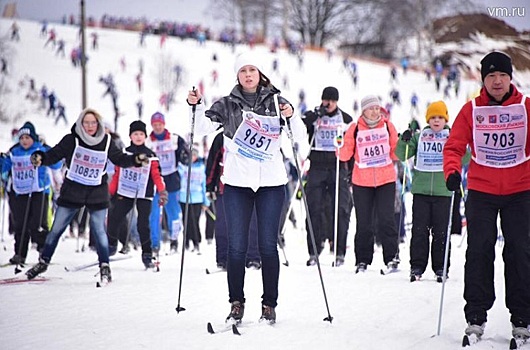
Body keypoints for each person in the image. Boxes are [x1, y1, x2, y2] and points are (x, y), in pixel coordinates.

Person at [186, 51, 306, 324]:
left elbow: (298, 135)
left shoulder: (276, 101)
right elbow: (202, 127)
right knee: (236, 247)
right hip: (238, 183)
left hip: (271, 183)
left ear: (260, 73)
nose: (248, 75)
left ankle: (269, 305)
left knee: (267, 246)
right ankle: (236, 303)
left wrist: (291, 115)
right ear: (237, 75)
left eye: (252, 69)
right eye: (243, 71)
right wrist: (195, 105)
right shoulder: (228, 104)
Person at [443, 51, 530, 340]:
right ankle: (476, 316)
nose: (497, 81)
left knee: (519, 250)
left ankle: (522, 317)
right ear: (483, 79)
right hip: (482, 190)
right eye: (491, 75)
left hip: (520, 190)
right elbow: (454, 145)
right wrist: (452, 172)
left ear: (510, 78)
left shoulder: (526, 107)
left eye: (502, 75)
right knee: (479, 249)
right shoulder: (471, 110)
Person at [25, 108, 149, 282]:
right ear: (80, 124)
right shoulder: (72, 140)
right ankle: (43, 261)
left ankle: (104, 266)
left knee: (99, 230)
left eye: (93, 122)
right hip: (73, 190)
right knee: (56, 230)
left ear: (98, 124)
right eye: (86, 122)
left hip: (96, 192)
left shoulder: (106, 141)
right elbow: (54, 154)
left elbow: (119, 158)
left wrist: (135, 160)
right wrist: (40, 158)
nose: (90, 126)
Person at [396, 101, 458, 282]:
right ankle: (417, 266)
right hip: (421, 191)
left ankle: (441, 267)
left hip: (443, 191)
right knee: (419, 230)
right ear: (427, 119)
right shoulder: (421, 136)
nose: (436, 121)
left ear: (445, 119)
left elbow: (464, 157)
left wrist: (462, 140)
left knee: (441, 231)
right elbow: (402, 154)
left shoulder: (450, 135)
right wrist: (404, 140)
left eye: (440, 117)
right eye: (433, 117)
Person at [338, 95, 399, 273]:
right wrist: (339, 144)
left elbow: (396, 154)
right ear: (363, 110)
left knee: (387, 219)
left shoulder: (388, 126)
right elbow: (344, 155)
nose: (375, 111)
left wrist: (404, 145)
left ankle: (392, 257)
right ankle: (362, 260)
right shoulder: (355, 128)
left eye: (377, 108)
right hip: (362, 182)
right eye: (371, 108)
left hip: (385, 179)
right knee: (364, 222)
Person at [301, 86, 353, 266]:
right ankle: (314, 249)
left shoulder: (345, 119)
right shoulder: (315, 116)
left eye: (332, 100)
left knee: (340, 208)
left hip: (337, 166)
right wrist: (316, 115)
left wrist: (350, 170)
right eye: (326, 99)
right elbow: (301, 124)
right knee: (314, 207)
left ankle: (339, 250)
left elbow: (351, 142)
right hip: (316, 166)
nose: (328, 103)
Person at [107, 120, 167, 269]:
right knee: (114, 217)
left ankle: (147, 254)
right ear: (130, 136)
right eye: (135, 134)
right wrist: (109, 193)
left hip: (144, 194)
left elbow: (157, 175)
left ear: (145, 136)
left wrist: (162, 191)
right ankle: (111, 245)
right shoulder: (125, 153)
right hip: (125, 191)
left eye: (141, 134)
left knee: (142, 224)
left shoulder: (151, 155)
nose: (138, 136)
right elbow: (117, 173)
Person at [1, 122, 62, 265]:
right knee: (20, 224)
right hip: (20, 192)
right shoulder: (15, 151)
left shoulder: (40, 149)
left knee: (38, 223)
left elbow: (56, 163)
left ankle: (43, 251)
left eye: (28, 138)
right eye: (22, 138)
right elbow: (5, 167)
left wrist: (50, 152)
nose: (24, 141)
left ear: (33, 138)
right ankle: (19, 254)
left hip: (39, 191)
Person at [146, 112, 188, 254]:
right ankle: (155, 243)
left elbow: (185, 157)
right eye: (155, 124)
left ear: (164, 124)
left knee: (173, 213)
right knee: (154, 214)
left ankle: (174, 239)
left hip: (171, 180)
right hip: (154, 182)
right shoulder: (148, 142)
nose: (157, 127)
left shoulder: (175, 139)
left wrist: (185, 154)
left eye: (160, 124)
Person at [178, 144, 209, 253]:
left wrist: (206, 201)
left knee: (194, 220)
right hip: (184, 197)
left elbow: (204, 184)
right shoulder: (182, 166)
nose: (192, 157)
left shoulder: (201, 167)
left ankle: (196, 241)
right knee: (186, 220)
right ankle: (186, 242)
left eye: (194, 155)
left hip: (197, 198)